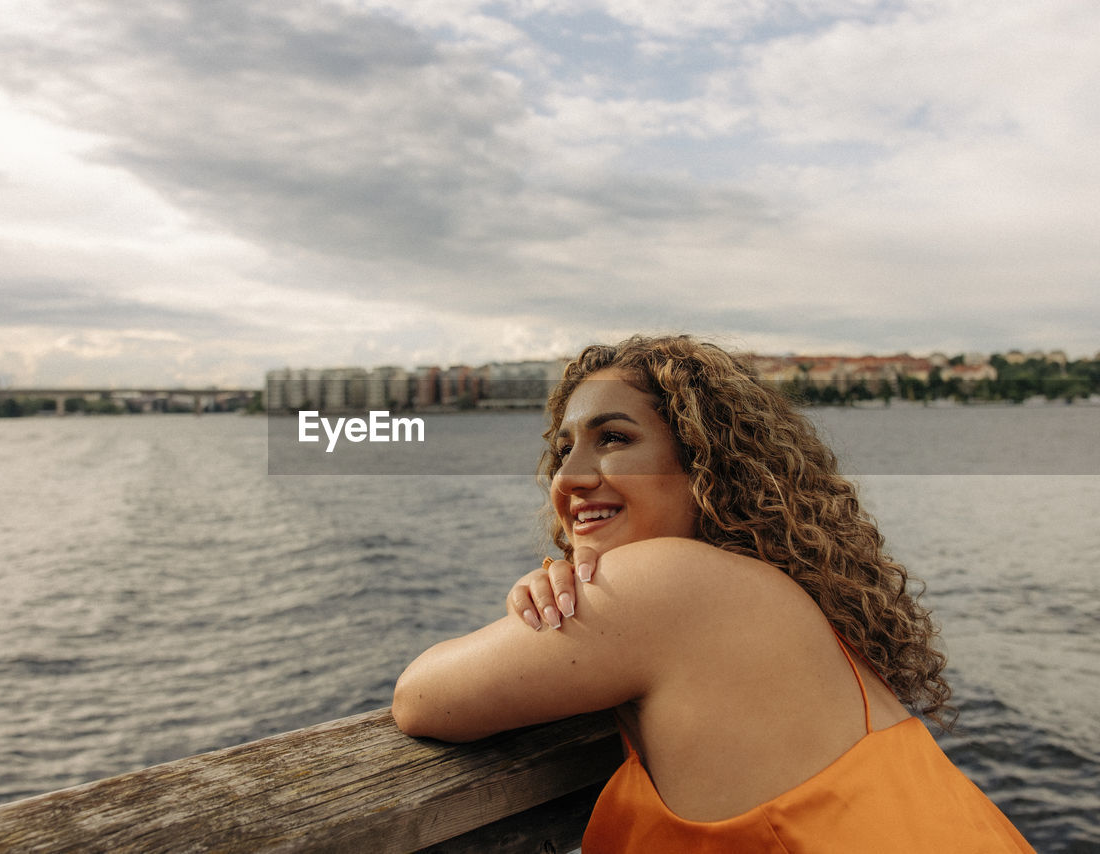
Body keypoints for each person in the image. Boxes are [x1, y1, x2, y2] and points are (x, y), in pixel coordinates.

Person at [393, 334, 1033, 852]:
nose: (569, 477)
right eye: (563, 450)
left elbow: (421, 698)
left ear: (703, 460)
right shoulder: (781, 598)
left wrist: (561, 605)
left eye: (613, 439)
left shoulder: (669, 582)